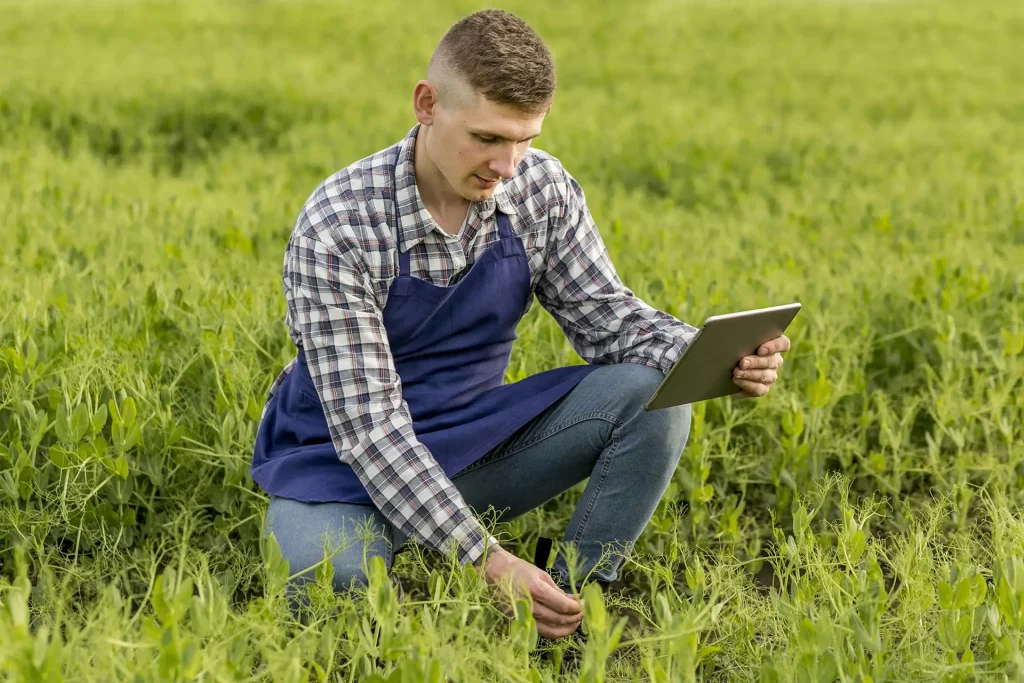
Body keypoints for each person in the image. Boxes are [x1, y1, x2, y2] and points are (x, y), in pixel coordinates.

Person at [250, 9, 790, 639]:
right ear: (426, 104)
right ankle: (408, 605)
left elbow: (607, 322)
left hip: (476, 438)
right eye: (487, 138)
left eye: (524, 139)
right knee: (326, 579)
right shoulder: (341, 223)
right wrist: (487, 560)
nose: (508, 165)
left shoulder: (541, 191)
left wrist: (714, 354)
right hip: (337, 463)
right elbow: (371, 432)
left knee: (652, 395)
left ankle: (569, 610)